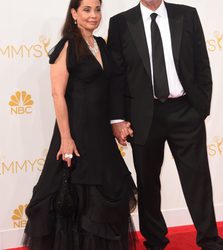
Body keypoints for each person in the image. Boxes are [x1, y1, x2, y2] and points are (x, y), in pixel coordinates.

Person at [107, 0, 223, 249]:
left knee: (198, 180)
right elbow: (116, 75)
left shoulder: (187, 15)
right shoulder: (120, 23)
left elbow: (202, 64)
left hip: (185, 110)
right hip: (142, 115)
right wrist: (117, 119)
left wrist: (200, 108)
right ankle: (155, 242)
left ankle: (210, 241)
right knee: (148, 183)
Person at [23, 0, 137, 249]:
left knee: (105, 192)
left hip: (100, 136)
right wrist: (66, 137)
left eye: (97, 9)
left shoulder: (102, 46)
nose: (93, 15)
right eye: (86, 10)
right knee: (75, 197)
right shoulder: (67, 46)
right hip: (76, 134)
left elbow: (110, 89)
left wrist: (117, 123)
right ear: (74, 13)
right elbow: (57, 94)